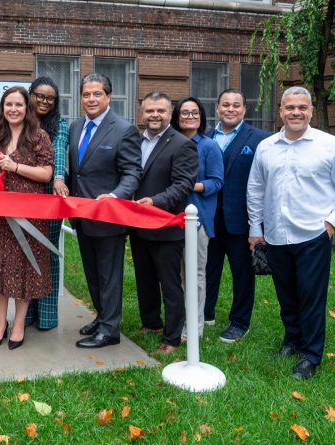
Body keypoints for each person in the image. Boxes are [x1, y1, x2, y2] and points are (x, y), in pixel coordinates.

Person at [247, 86, 335, 379]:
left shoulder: (330, 146)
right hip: (275, 234)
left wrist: (332, 222)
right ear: (281, 112)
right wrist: (256, 227)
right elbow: (256, 189)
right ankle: (292, 340)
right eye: (289, 108)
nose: (295, 112)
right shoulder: (267, 147)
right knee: (286, 294)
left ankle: (311, 355)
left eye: (302, 107)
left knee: (311, 296)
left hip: (313, 234)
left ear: (310, 111)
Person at [66, 74, 142, 349]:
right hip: (82, 216)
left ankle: (110, 330)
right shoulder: (76, 127)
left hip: (109, 217)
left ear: (108, 96)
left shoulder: (124, 129)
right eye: (86, 94)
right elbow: (79, 171)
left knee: (109, 275)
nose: (91, 99)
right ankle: (102, 317)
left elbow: (133, 172)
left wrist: (114, 195)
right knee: (92, 273)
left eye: (97, 94)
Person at [0, 85, 54, 350]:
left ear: (27, 108)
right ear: (2, 108)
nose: (13, 109)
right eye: (8, 104)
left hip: (29, 215)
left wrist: (16, 166)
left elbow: (46, 174)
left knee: (23, 270)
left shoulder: (38, 136)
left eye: (18, 104)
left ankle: (18, 324)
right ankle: (1, 323)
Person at [130, 92, 197, 354]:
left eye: (160, 111)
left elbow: (183, 185)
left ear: (170, 114)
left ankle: (171, 338)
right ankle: (151, 323)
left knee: (169, 284)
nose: (154, 115)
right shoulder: (136, 141)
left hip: (166, 225)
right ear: (142, 113)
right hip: (137, 223)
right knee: (144, 277)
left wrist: (155, 201)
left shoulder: (181, 144)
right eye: (149, 111)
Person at [205, 88, 270, 343]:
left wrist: (259, 224)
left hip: (242, 220)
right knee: (207, 269)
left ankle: (240, 322)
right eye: (225, 105)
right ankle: (205, 312)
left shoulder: (260, 140)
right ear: (217, 108)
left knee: (242, 273)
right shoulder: (206, 137)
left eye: (236, 105)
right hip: (209, 219)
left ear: (244, 109)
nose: (230, 109)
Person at [169, 97, 224, 340]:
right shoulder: (170, 142)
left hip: (197, 218)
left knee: (195, 274)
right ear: (177, 117)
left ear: (201, 117)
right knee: (176, 275)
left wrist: (189, 185)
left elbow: (217, 182)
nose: (189, 117)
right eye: (184, 112)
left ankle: (195, 328)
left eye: (194, 113)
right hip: (170, 217)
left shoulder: (209, 146)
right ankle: (177, 322)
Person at [26, 76, 70, 331]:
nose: (44, 101)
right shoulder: (23, 120)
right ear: (31, 95)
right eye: (39, 96)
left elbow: (60, 150)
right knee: (28, 251)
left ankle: (47, 315)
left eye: (50, 98)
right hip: (26, 195)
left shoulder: (60, 124)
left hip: (51, 196)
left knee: (48, 252)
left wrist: (59, 178)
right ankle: (28, 313)